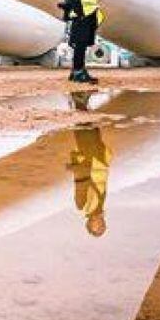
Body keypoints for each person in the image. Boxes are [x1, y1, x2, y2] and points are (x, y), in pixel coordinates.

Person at [68, 95, 111, 236]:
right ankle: (81, 96)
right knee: (92, 128)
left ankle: (78, 95)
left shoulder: (82, 205)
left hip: (88, 159)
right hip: (98, 159)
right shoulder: (100, 205)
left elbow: (79, 180)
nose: (100, 224)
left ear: (89, 223)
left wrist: (78, 164)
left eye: (97, 226)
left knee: (84, 128)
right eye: (102, 226)